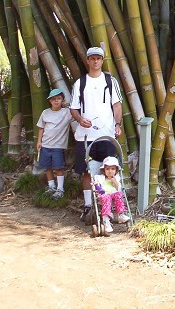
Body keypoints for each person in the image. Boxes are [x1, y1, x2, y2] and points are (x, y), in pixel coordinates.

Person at [70, 46, 123, 221]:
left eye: (98, 58)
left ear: (102, 60)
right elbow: (74, 108)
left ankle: (114, 208)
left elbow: (116, 105)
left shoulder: (110, 81)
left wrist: (117, 124)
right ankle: (88, 206)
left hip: (106, 135)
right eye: (92, 58)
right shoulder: (80, 83)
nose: (95, 61)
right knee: (86, 172)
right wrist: (79, 119)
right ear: (87, 61)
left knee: (110, 171)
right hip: (84, 136)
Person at [36, 88, 71, 199]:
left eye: (59, 99)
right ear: (50, 101)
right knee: (47, 167)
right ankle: (51, 186)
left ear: (62, 100)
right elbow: (41, 127)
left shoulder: (67, 112)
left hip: (58, 146)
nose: (56, 101)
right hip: (46, 144)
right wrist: (39, 141)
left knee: (58, 167)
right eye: (53, 99)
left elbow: (77, 115)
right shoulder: (45, 112)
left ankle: (60, 189)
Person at [94, 156, 130, 233]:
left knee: (119, 194)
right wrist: (97, 190)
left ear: (116, 170)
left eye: (112, 169)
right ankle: (106, 221)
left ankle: (121, 215)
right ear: (104, 170)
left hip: (114, 196)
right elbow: (97, 187)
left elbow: (118, 189)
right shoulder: (100, 178)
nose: (110, 171)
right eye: (107, 169)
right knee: (106, 197)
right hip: (103, 197)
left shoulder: (117, 178)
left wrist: (114, 181)